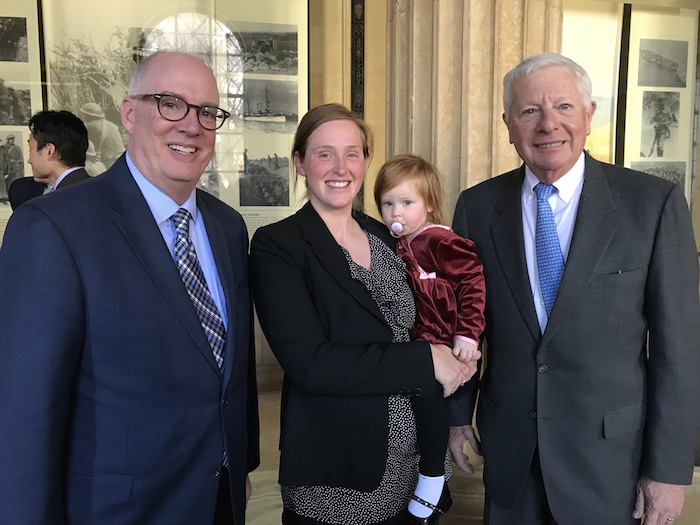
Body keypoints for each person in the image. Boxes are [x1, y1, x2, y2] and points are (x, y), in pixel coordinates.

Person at [0, 51, 259, 525]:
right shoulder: (53, 228)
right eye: (170, 103)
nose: (191, 125)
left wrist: (240, 462)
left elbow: (232, 368)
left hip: (217, 501)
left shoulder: (228, 226)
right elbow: (24, 416)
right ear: (129, 113)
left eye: (207, 112)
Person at [449, 52, 700, 525]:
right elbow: (465, 325)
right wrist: (457, 416)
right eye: (530, 111)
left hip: (609, 464)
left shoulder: (652, 204)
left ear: (588, 115)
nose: (548, 124)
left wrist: (667, 471)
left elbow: (679, 350)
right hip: (511, 459)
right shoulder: (477, 208)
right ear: (508, 125)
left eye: (563, 107)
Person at [250, 103, 476, 525]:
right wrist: (426, 359)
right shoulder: (278, 245)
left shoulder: (387, 234)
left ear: (366, 161)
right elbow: (311, 364)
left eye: (352, 153)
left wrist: (461, 354)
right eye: (325, 154)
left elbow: (436, 314)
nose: (341, 167)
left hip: (418, 468)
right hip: (340, 474)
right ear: (299, 162)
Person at [374, 153, 486, 522]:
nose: (396, 213)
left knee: (429, 406)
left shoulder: (439, 240)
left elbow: (472, 283)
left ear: (430, 204)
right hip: (417, 341)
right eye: (388, 204)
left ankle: (433, 478)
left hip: (443, 339)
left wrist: (468, 334)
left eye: (407, 203)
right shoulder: (398, 244)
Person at [8, 109, 89, 210]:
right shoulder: (22, 192)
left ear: (49, 151)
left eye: (30, 148)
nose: (29, 161)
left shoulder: (89, 197)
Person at [80, 100, 126, 168]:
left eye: (85, 115)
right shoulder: (110, 124)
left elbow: (90, 148)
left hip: (110, 161)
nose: (84, 117)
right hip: (122, 158)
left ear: (90, 116)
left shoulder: (91, 126)